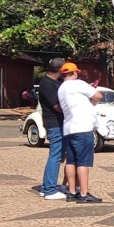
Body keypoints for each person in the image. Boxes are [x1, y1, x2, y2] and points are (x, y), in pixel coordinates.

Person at [57, 62, 103, 203]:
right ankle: (83, 193)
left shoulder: (61, 89)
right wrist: (91, 100)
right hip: (83, 127)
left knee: (71, 161)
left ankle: (71, 192)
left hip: (69, 128)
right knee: (83, 162)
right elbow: (98, 96)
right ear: (75, 73)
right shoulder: (79, 84)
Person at [38, 58, 69, 200]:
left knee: (57, 155)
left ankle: (46, 187)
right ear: (60, 70)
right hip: (54, 124)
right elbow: (57, 106)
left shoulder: (56, 82)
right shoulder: (47, 84)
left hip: (58, 123)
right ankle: (50, 190)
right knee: (55, 156)